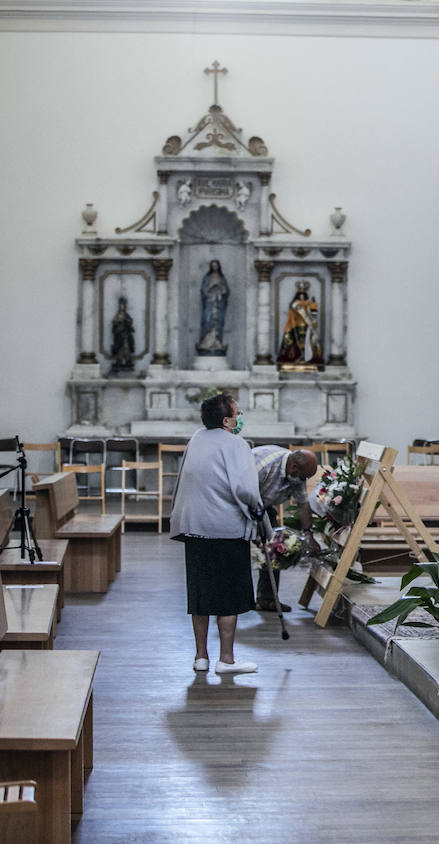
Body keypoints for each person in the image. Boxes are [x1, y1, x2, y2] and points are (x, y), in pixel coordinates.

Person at [170, 393, 261, 675]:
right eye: (237, 413)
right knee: (227, 596)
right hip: (226, 530)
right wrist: (258, 509)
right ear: (226, 420)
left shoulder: (196, 438)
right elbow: (246, 489)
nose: (240, 417)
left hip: (194, 527)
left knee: (200, 594)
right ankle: (227, 660)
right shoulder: (236, 444)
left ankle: (200, 657)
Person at [251, 446, 318, 612]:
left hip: (265, 506)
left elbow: (303, 503)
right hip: (241, 504)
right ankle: (234, 599)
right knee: (239, 550)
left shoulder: (297, 475)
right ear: (294, 467)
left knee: (275, 548)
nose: (303, 480)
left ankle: (267, 598)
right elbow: (242, 492)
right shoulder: (264, 466)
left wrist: (308, 533)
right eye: (304, 477)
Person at [276, 284, 321, 366]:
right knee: (296, 341)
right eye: (300, 296)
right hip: (296, 326)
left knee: (307, 342)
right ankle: (298, 356)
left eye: (303, 296)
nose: (302, 297)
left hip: (307, 326)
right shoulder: (295, 305)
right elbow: (291, 315)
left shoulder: (309, 304)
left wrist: (313, 305)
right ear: (297, 296)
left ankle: (307, 357)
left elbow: (313, 314)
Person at [197, 260, 229, 356]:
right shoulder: (207, 278)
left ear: (219, 267)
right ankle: (206, 344)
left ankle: (217, 343)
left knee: (218, 323)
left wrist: (221, 291)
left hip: (219, 304)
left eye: (216, 266)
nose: (215, 267)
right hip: (210, 304)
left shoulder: (222, 278)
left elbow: (226, 292)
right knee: (207, 321)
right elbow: (203, 291)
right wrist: (210, 288)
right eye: (213, 266)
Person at [110, 296, 136, 372]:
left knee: (126, 348)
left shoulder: (126, 315)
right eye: (121, 305)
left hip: (126, 336)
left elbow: (130, 321)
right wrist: (118, 322)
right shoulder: (117, 315)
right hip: (119, 336)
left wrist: (126, 321)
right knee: (119, 349)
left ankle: (126, 361)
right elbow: (114, 323)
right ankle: (119, 361)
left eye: (123, 305)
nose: (122, 307)